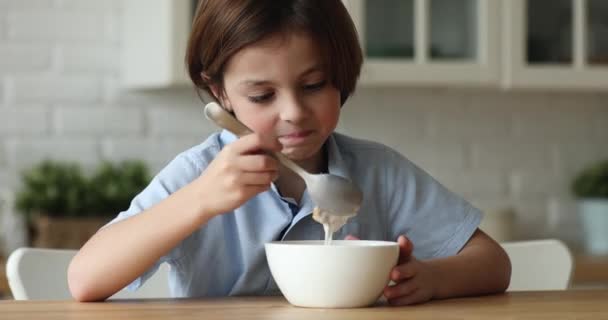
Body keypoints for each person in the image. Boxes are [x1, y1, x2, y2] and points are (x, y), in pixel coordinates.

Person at [68, 0, 511, 305]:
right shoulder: (200, 175)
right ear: (220, 92)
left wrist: (430, 280)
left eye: (314, 86)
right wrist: (199, 200)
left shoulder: (378, 171)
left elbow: (493, 263)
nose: (294, 113)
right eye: (262, 96)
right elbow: (84, 279)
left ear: (342, 75)